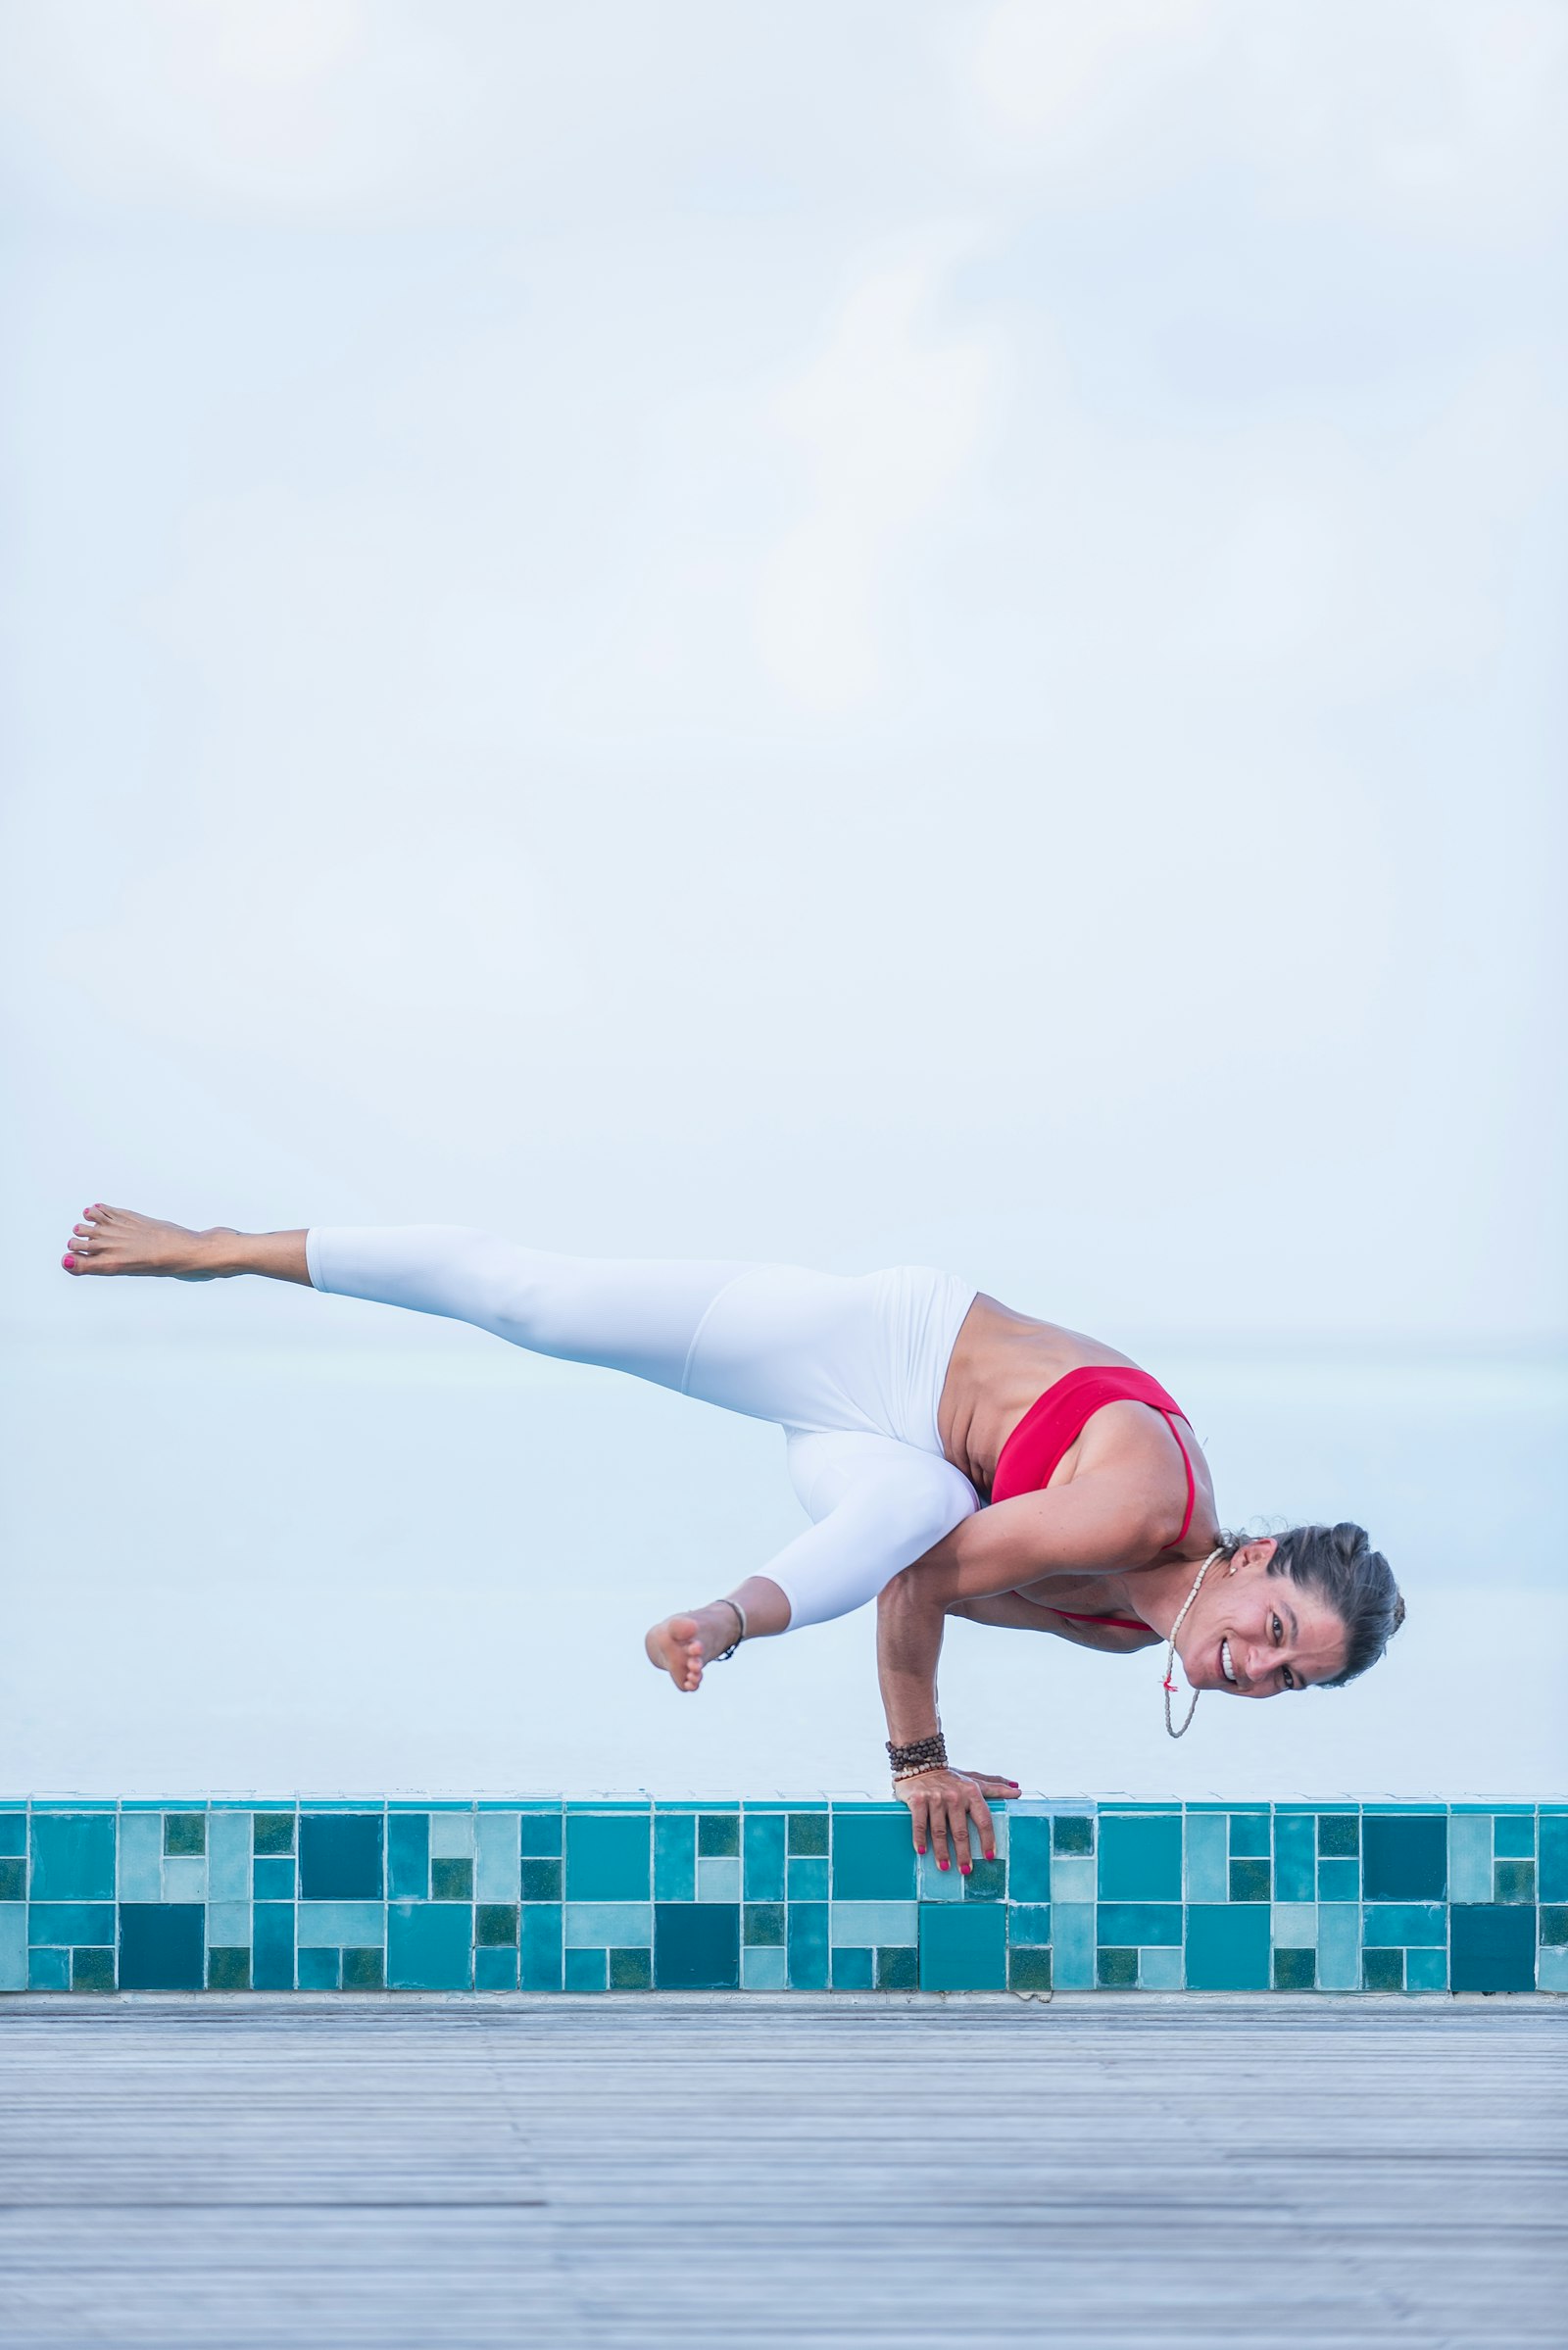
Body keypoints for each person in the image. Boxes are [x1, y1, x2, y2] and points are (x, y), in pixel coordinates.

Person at [60, 1205, 1404, 1866]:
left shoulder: (1125, 1633)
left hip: (897, 1465)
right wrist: (918, 1759)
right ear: (1250, 1558)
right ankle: (220, 1244)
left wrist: (907, 1694)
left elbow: (916, 1559)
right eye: (1276, 1631)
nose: (1255, 1667)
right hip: (879, 1349)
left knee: (922, 1503)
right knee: (536, 1298)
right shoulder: (1137, 1502)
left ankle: (716, 1620)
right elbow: (926, 1582)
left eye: (1289, 1678)